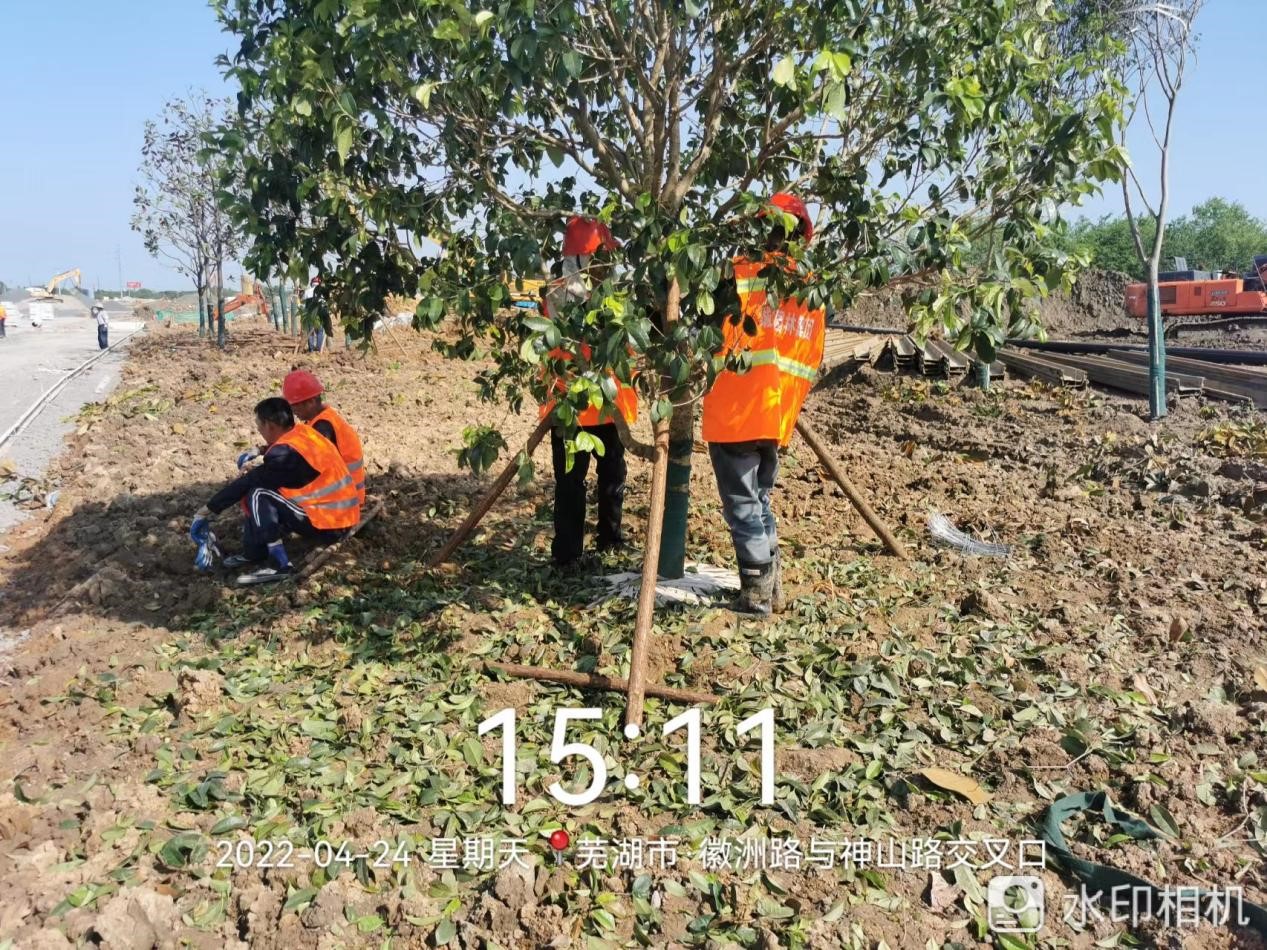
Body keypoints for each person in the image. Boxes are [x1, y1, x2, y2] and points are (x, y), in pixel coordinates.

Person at [700, 193, 825, 616]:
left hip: (736, 412)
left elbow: (702, 328)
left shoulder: (738, 273)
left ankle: (755, 596)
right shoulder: (811, 288)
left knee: (743, 506)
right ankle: (772, 589)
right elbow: (810, 358)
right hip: (777, 417)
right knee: (760, 501)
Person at [539, 216, 639, 569]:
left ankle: (606, 540)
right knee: (572, 483)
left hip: (605, 405)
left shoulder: (613, 295)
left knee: (609, 477)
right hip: (574, 406)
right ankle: (569, 555)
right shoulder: (561, 294)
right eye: (600, 257)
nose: (606, 266)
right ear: (583, 259)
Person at [190, 397, 361, 586]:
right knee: (260, 490)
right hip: (343, 516)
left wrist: (206, 510)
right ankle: (254, 553)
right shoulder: (303, 433)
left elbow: (250, 481)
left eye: (259, 427)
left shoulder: (283, 454)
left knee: (258, 494)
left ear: (270, 426)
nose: (259, 431)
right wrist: (260, 452)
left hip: (332, 523)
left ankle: (280, 565)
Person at [282, 369, 366, 504]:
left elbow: (307, 467)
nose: (293, 411)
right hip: (347, 496)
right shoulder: (323, 418)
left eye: (295, 406)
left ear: (311, 402)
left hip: (342, 501)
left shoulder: (323, 427)